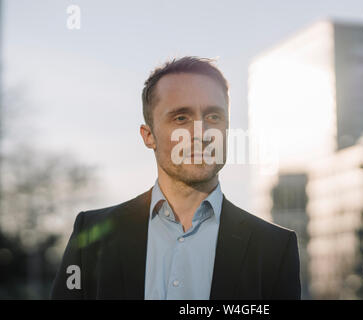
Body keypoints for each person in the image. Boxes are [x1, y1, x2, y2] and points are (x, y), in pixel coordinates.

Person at [50, 56, 301, 299]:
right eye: (181, 118)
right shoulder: (92, 235)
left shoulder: (275, 248)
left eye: (213, 117)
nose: (200, 133)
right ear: (148, 136)